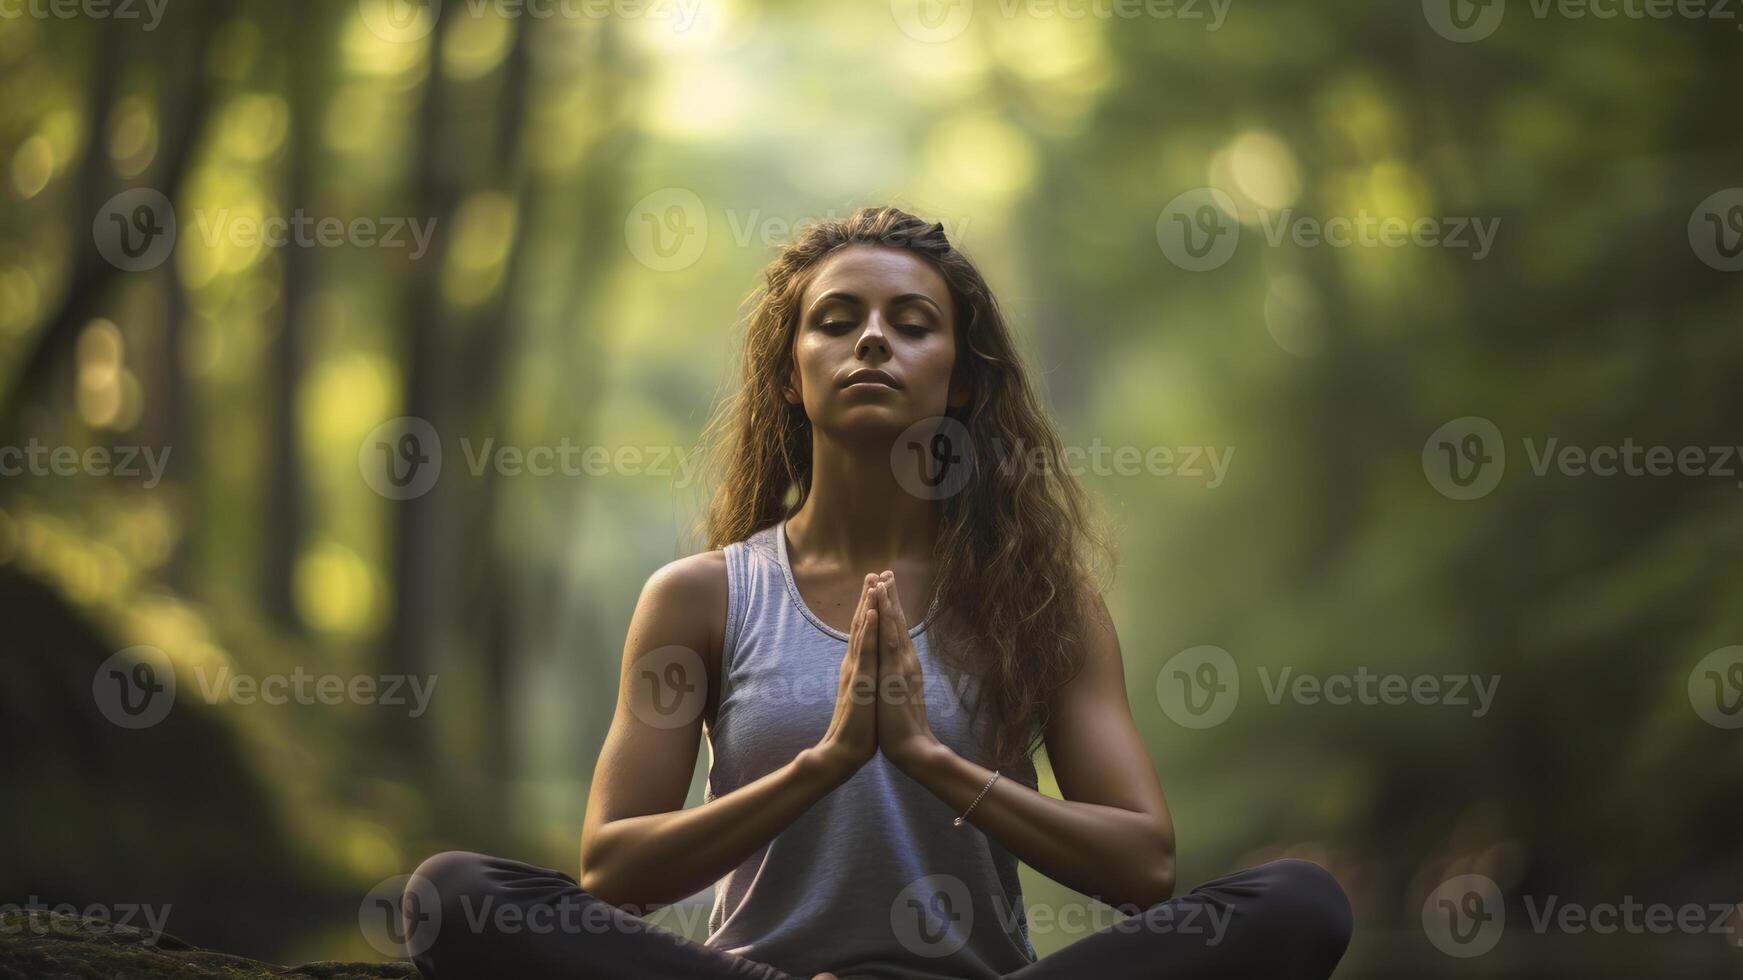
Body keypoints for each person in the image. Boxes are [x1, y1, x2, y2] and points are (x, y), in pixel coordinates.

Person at [402, 206, 1352, 979]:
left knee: (1300, 904)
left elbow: (1145, 868)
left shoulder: (1040, 603)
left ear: (962, 383)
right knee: (452, 894)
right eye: (835, 320)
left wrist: (930, 761)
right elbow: (611, 872)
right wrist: (821, 765)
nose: (870, 342)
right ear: (788, 372)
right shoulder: (698, 600)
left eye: (910, 324)